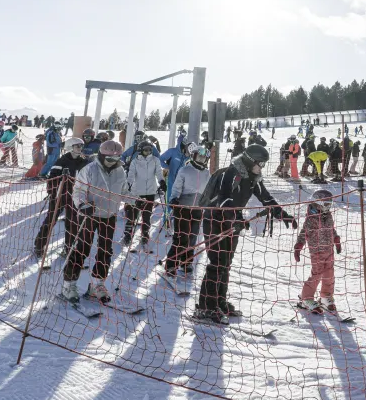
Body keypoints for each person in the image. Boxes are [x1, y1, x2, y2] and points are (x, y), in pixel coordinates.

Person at [193, 144, 296, 324]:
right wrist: (235, 218)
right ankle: (206, 307)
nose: (261, 167)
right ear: (250, 161)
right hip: (215, 220)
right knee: (217, 263)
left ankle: (220, 301)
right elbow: (225, 198)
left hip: (232, 223)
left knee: (226, 263)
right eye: (260, 163)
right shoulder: (231, 173)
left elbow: (266, 197)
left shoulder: (252, 177)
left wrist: (282, 215)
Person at [62, 140, 127, 304]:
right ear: (102, 156)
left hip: (109, 215)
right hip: (89, 215)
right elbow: (78, 190)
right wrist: (82, 205)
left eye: (117, 159)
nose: (113, 163)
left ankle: (97, 284)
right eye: (110, 159)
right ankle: (69, 284)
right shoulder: (90, 169)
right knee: (82, 249)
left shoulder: (120, 171)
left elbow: (124, 190)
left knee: (106, 251)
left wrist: (136, 200)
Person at [163, 143, 212, 290]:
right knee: (181, 237)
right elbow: (177, 186)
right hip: (183, 207)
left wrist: (209, 203)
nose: (202, 160)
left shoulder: (206, 173)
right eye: (199, 157)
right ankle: (171, 265)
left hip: (198, 208)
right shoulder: (185, 170)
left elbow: (208, 190)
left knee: (192, 236)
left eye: (204, 158)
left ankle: (186, 262)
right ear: (193, 156)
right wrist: (174, 199)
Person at [34, 137, 90, 257]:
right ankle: (39, 245)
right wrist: (52, 192)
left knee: (72, 223)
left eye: (81, 146)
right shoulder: (62, 161)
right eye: (77, 146)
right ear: (70, 147)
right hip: (59, 195)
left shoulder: (84, 162)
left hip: (74, 197)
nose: (80, 148)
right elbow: (52, 178)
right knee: (51, 220)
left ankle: (69, 247)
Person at [294, 188, 342, 314]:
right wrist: (299, 246)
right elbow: (304, 232)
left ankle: (326, 296)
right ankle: (306, 298)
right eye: (326, 204)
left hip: (329, 249)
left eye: (330, 204)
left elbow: (332, 229)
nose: (328, 207)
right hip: (317, 251)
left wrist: (336, 239)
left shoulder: (328, 215)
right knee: (317, 274)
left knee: (329, 273)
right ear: (319, 203)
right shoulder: (312, 218)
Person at [123, 139, 166, 249]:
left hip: (150, 192)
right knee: (133, 215)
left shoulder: (155, 160)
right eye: (146, 150)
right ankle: (128, 235)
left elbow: (158, 173)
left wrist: (161, 181)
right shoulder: (135, 161)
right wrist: (128, 184)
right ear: (140, 151)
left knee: (146, 216)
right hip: (137, 192)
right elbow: (131, 174)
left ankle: (145, 236)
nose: (148, 152)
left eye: (150, 150)